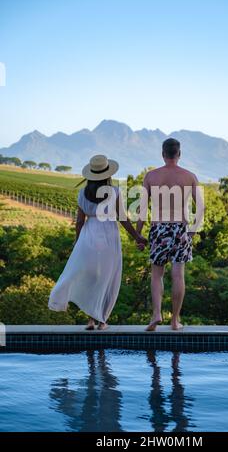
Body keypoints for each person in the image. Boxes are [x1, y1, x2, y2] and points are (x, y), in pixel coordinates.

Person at [48, 154, 147, 330]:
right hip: (109, 236)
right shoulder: (114, 192)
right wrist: (136, 236)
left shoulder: (82, 193)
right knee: (108, 278)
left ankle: (90, 321)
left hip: (89, 236)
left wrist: (78, 242)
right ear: (108, 174)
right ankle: (102, 321)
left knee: (91, 277)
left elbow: (79, 221)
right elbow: (123, 219)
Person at [137, 138, 204, 331]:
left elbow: (142, 209)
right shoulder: (189, 176)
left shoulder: (151, 176)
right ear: (179, 154)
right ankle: (175, 320)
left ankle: (156, 313)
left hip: (158, 228)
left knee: (157, 275)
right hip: (180, 228)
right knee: (178, 275)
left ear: (163, 154)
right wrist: (192, 230)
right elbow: (201, 207)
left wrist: (138, 235)